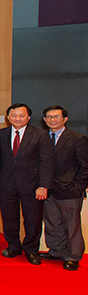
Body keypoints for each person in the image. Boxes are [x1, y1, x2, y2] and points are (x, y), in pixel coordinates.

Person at [0, 103, 53, 265]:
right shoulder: (0, 135)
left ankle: (31, 249)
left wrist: (44, 185)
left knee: (32, 219)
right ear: (8, 117)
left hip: (33, 185)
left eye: (21, 115)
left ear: (28, 117)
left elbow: (46, 162)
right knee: (9, 218)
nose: (17, 118)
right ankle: (13, 246)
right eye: (14, 115)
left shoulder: (40, 135)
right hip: (6, 184)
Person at [40, 105, 87, 271]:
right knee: (52, 223)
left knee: (71, 225)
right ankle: (56, 250)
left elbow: (85, 166)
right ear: (44, 120)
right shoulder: (42, 137)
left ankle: (73, 255)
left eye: (56, 117)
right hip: (48, 190)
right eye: (49, 117)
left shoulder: (77, 138)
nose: (53, 120)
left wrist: (79, 187)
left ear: (65, 119)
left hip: (69, 191)